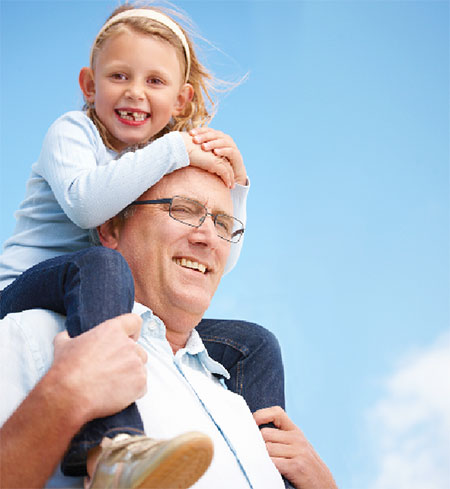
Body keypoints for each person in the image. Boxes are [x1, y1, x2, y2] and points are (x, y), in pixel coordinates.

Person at [0, 3, 284, 483]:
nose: (134, 92)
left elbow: (219, 253)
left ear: (180, 99)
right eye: (119, 76)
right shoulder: (73, 132)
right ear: (89, 86)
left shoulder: (151, 157)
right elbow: (88, 207)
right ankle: (113, 446)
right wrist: (175, 148)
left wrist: (237, 185)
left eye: (155, 81)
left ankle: (272, 469)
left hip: (100, 295)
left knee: (254, 343)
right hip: (26, 291)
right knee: (102, 267)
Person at [0, 165, 337, 489]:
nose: (208, 237)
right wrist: (63, 395)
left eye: (223, 223)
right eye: (184, 210)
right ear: (111, 228)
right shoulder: (37, 337)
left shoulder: (237, 398)